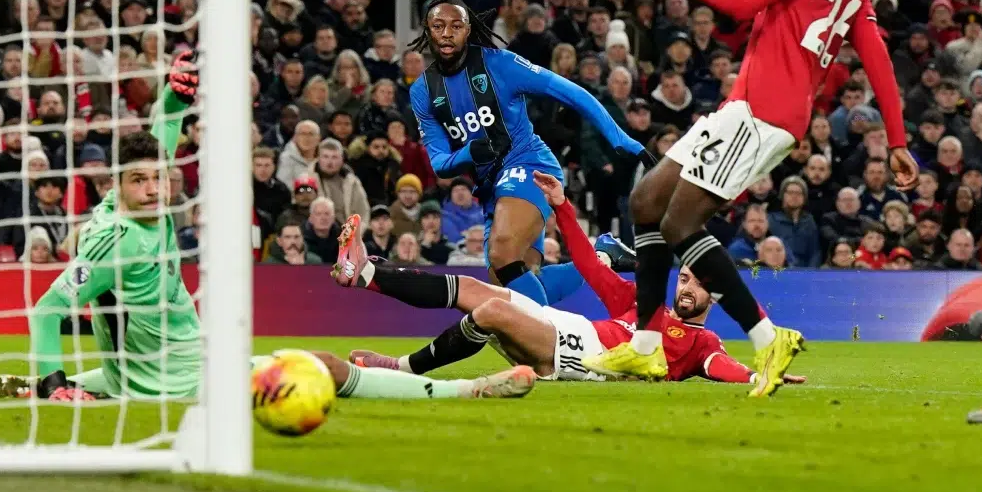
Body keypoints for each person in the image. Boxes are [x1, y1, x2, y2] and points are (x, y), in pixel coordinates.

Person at [0, 52, 533, 403]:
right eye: (140, 181)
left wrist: (174, 95)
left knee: (146, 369)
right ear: (115, 187)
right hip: (185, 379)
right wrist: (57, 388)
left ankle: (36, 385)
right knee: (332, 368)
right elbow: (48, 309)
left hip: (155, 366)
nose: (155, 188)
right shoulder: (121, 242)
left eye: (158, 179)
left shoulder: (128, 208)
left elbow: (161, 134)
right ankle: (468, 388)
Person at [596, 0, 918, 397]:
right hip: (747, 107)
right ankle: (647, 347)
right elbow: (878, 60)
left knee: (678, 225)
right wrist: (900, 141)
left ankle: (768, 337)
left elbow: (743, 2)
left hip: (763, 111)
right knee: (646, 202)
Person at [336, 172, 805, 386]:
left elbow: (723, 369)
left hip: (576, 356)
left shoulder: (702, 345)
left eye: (696, 283)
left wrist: (757, 373)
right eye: (683, 277)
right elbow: (587, 262)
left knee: (492, 311)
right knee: (473, 289)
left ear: (712, 295)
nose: (685, 287)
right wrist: (562, 206)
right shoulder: (641, 306)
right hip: (562, 327)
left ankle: (398, 371)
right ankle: (367, 274)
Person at [404, 0, 649, 308]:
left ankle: (553, 345)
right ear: (427, 29)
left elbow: (572, 93)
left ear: (468, 29)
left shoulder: (501, 65)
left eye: (456, 25)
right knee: (514, 288)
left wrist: (620, 138)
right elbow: (439, 162)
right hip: (492, 186)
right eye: (438, 26)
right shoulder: (423, 91)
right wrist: (471, 153)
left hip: (530, 165)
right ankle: (602, 256)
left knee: (502, 252)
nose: (447, 33)